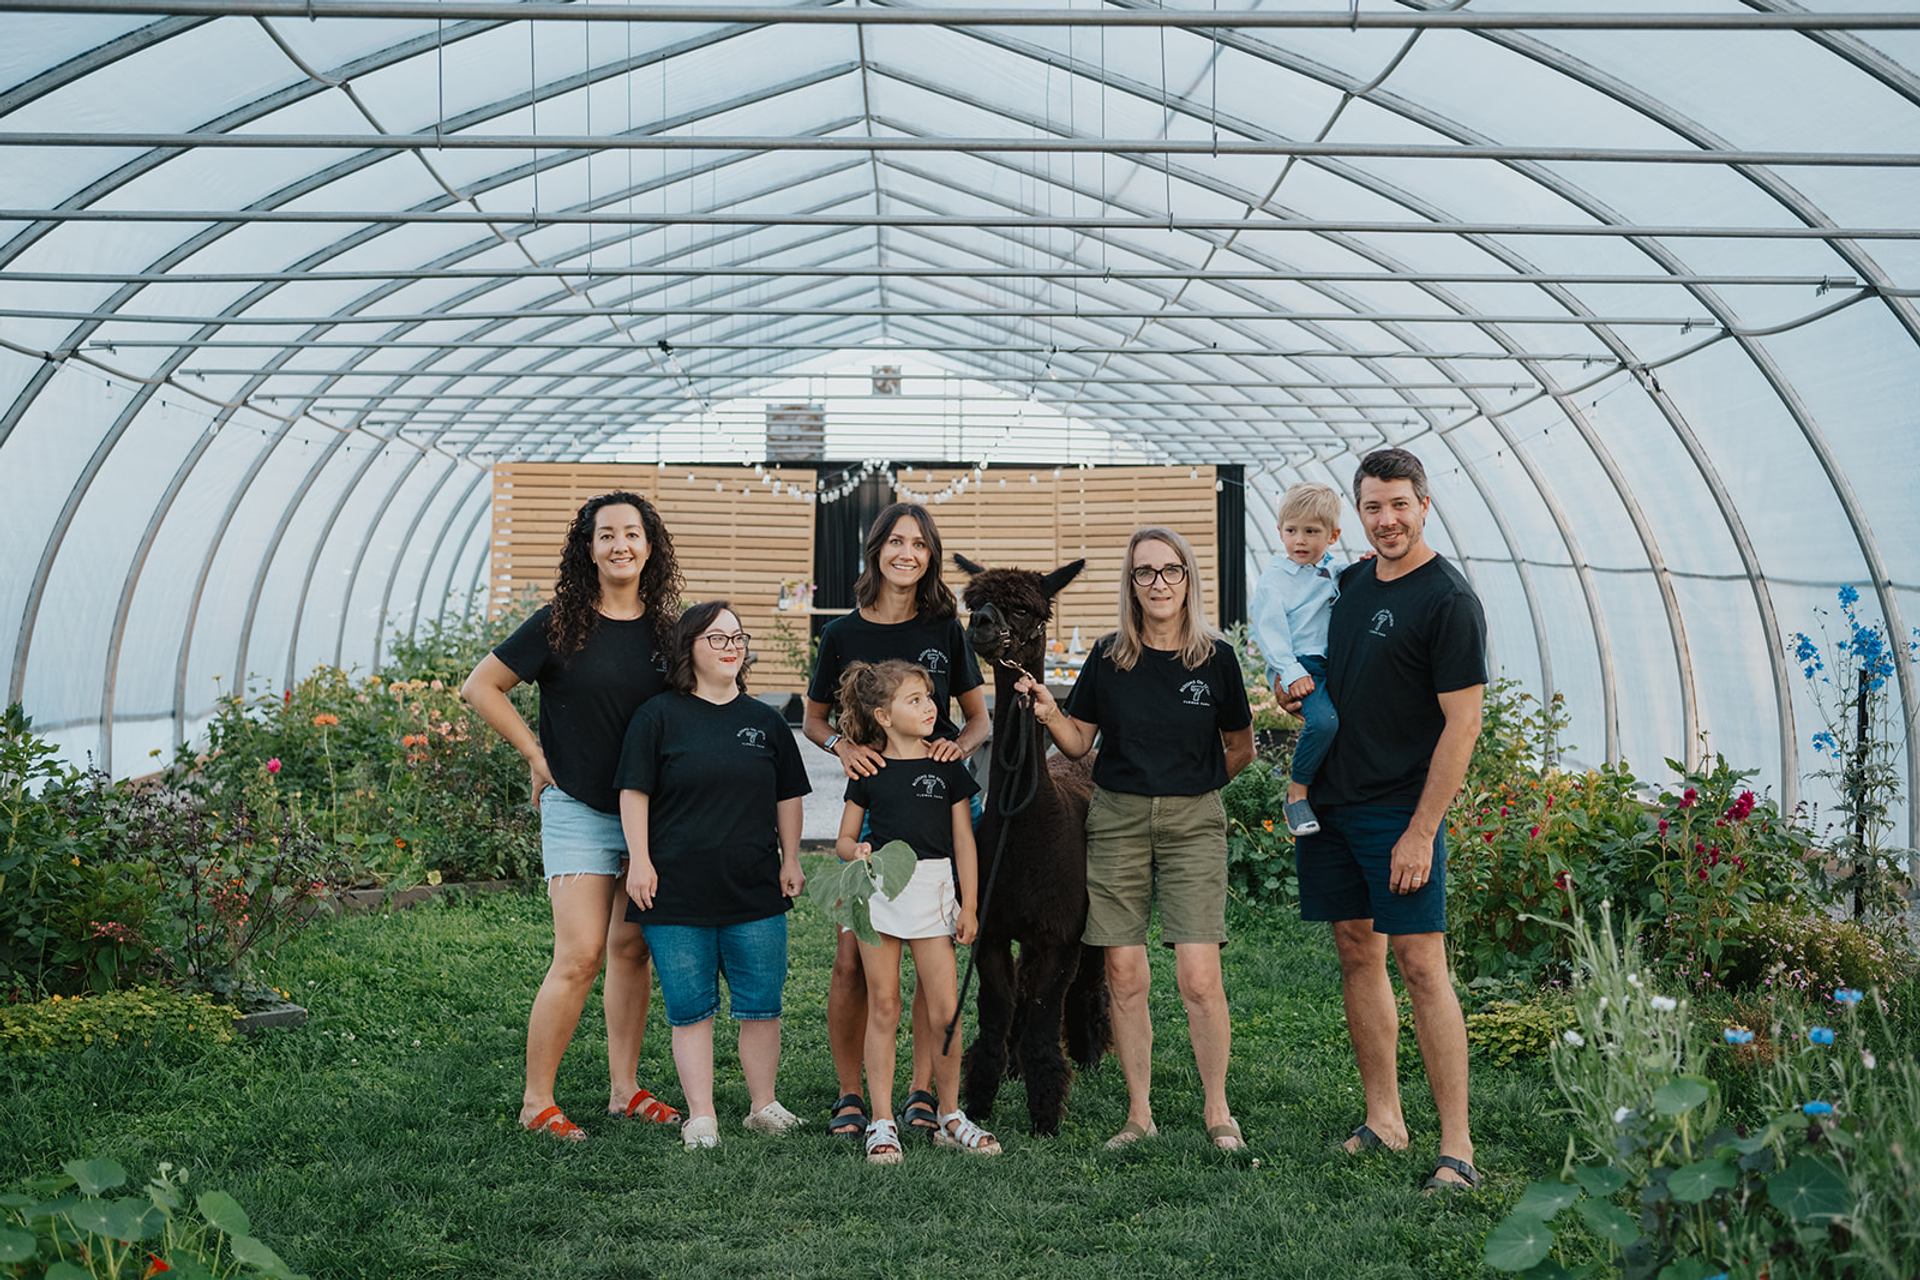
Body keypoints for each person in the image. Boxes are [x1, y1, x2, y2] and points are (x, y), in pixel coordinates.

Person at [1285, 447, 1487, 1193]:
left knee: (1421, 964)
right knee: (1356, 951)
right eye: (1372, 507)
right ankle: (1384, 1119)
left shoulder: (1447, 601)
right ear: (1358, 513)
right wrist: (1298, 694)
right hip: (1334, 803)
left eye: (1399, 504)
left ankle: (1457, 1148)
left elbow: (1463, 726)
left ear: (1424, 504)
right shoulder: (1351, 582)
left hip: (1399, 811)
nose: (1387, 519)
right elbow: (1334, 676)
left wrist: (1421, 830)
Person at [1015, 526, 1255, 1152]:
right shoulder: (1109, 657)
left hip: (1192, 825)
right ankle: (1140, 1114)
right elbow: (1079, 744)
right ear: (1131, 583)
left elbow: (1241, 747)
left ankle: (1217, 1110)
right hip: (1117, 819)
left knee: (1199, 976)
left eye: (1169, 571)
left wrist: (1194, 791)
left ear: (1188, 578)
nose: (1158, 584)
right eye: (1144, 573)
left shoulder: (1216, 659)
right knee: (1123, 971)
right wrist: (1048, 711)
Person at [461, 491, 682, 1142]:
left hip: (647, 814)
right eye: (606, 534)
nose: (620, 544)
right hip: (579, 807)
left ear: (650, 547)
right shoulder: (560, 623)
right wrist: (535, 752)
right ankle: (537, 1102)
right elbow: (481, 686)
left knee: (630, 949)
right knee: (580, 956)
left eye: (632, 534)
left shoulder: (669, 633)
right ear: (588, 548)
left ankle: (625, 1089)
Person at [803, 503, 988, 1142]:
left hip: (938, 811)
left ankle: (920, 1094)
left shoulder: (945, 630)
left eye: (920, 544)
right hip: (876, 815)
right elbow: (815, 721)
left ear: (931, 555)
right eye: (896, 541)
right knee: (855, 964)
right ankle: (855, 1094)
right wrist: (842, 750)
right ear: (876, 548)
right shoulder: (842, 635)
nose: (907, 553)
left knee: (930, 958)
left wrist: (953, 750)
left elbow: (977, 719)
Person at [618, 601, 811, 1151]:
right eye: (718, 638)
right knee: (690, 1006)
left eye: (738, 638)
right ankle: (701, 1115)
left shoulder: (765, 721)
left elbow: (788, 796)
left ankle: (763, 1104)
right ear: (690, 649)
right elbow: (634, 791)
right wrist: (641, 859)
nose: (732, 647)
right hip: (674, 890)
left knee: (761, 1003)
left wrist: (791, 857)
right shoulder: (657, 716)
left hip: (754, 888)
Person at [832, 660, 1001, 1165]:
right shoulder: (869, 771)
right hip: (880, 895)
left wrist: (969, 904)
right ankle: (881, 1120)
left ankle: (950, 1115)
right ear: (883, 716)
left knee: (945, 1010)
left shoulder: (947, 765)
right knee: (884, 1006)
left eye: (930, 698)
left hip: (933, 893)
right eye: (915, 700)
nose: (930, 707)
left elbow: (963, 842)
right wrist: (853, 853)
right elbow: (844, 837)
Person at [1250, 482, 1343, 837]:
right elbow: (1269, 633)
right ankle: (1296, 793)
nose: (1299, 540)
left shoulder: (1332, 570)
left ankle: (1328, 790)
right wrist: (1291, 672)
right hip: (1299, 664)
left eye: (1311, 531)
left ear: (1332, 535)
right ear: (1279, 531)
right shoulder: (1275, 582)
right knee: (1323, 723)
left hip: (1328, 664)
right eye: (1291, 531)